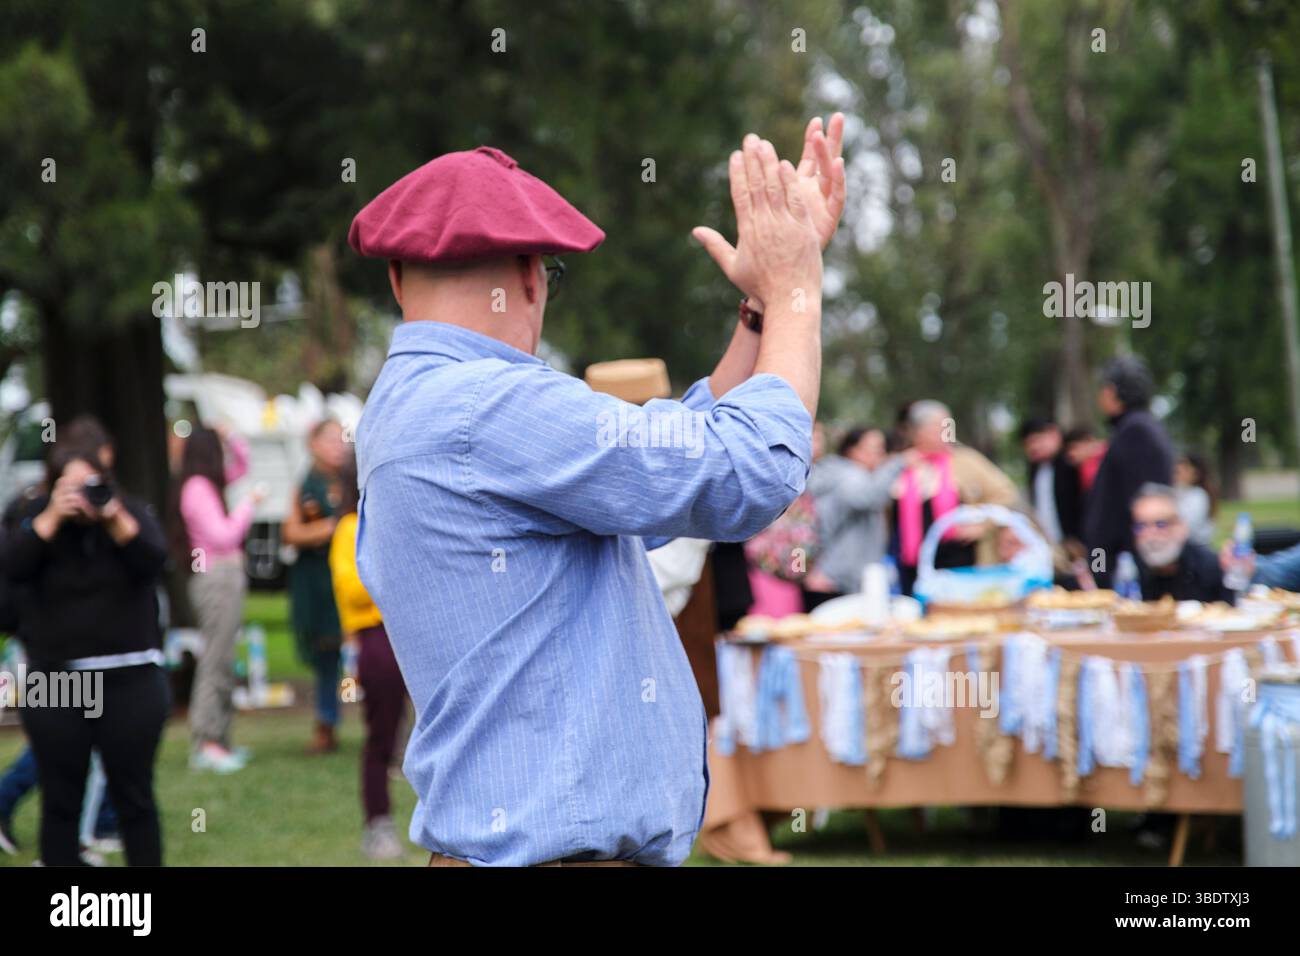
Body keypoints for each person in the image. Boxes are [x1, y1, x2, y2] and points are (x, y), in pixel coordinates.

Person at [350, 117, 845, 865]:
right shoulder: (491, 403)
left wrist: (761, 313)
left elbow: (661, 466)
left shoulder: (416, 403)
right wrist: (798, 290)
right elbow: (751, 469)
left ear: (395, 279)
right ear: (528, 274)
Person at [0, 442, 169, 866]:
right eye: (69, 485)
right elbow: (12, 567)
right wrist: (53, 516)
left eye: (90, 485)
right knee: (60, 797)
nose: (82, 495)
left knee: (135, 796)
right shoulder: (35, 517)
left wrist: (113, 517)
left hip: (130, 675)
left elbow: (154, 560)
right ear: (53, 484)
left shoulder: (128, 511)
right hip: (57, 676)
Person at [328, 451, 410, 860]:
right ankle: (378, 824)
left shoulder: (396, 524)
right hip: (376, 639)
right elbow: (354, 587)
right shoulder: (348, 529)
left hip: (410, 633)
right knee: (382, 737)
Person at [174, 423, 262, 773]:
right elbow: (223, 535)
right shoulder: (197, 488)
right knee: (214, 659)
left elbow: (243, 465)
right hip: (217, 577)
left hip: (224, 576)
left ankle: (221, 740)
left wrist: (232, 435)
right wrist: (249, 506)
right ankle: (206, 741)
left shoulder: (207, 483)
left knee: (224, 660)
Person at [890, 400, 1019, 595]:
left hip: (962, 563)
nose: (946, 431)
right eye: (938, 426)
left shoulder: (965, 461)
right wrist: (898, 464)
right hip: (912, 565)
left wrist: (983, 525)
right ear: (917, 432)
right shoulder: (900, 464)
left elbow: (1006, 493)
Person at [282, 419, 348, 754]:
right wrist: (330, 528)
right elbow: (290, 532)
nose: (338, 446)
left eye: (342, 439)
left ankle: (384, 726)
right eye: (330, 439)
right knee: (325, 653)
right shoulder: (306, 485)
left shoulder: (354, 480)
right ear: (312, 444)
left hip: (351, 578)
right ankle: (326, 723)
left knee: (368, 654)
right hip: (319, 582)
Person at [1083, 355, 1174, 587]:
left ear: (1112, 392)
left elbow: (1141, 506)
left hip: (1127, 569)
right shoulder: (1138, 428)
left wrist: (1109, 568)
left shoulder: (1136, 432)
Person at [803, 426, 910, 601]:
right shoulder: (850, 476)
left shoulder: (841, 474)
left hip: (836, 577)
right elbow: (869, 497)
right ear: (852, 450)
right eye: (875, 449)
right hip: (834, 579)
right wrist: (898, 464)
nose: (881, 455)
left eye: (882, 449)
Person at [1131, 483, 1232, 604]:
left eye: (1161, 524)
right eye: (1141, 526)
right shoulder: (1129, 570)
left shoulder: (1211, 568)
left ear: (1182, 527)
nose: (1150, 535)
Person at [1020, 417, 1084, 552]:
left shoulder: (1072, 463)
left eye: (1037, 440)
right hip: (1051, 546)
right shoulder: (1035, 470)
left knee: (1099, 569)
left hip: (1080, 543)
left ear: (1054, 434)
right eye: (1028, 443)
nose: (1033, 447)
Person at [1174, 452, 1216, 547]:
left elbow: (1187, 527)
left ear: (1196, 473)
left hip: (1196, 547)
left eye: (1185, 468)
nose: (1179, 470)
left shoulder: (1199, 496)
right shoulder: (1182, 491)